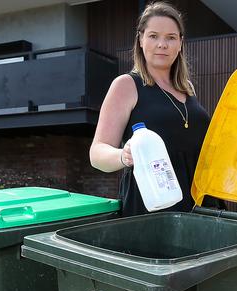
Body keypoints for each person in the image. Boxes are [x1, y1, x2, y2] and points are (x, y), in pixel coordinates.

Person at [90, 2, 219, 217]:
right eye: (153, 36)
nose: (162, 44)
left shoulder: (188, 88)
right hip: (152, 206)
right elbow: (97, 153)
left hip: (199, 204)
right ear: (140, 40)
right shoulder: (126, 85)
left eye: (171, 37)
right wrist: (124, 156)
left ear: (180, 43)